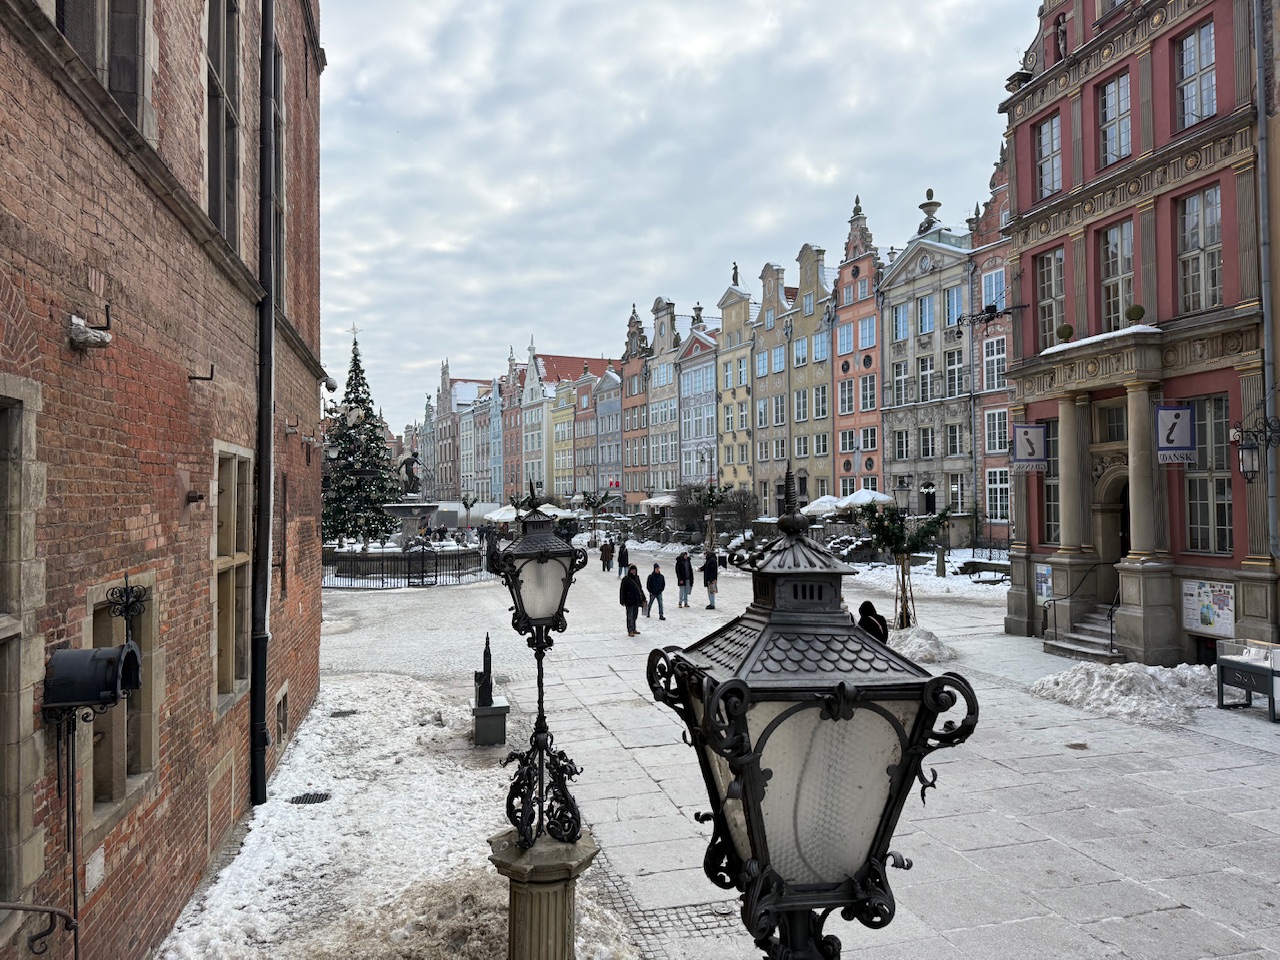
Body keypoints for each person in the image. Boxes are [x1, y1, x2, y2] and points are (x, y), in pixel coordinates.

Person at [620, 564, 645, 636]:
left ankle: (633, 628)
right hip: (629, 600)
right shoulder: (626, 579)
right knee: (630, 616)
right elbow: (622, 590)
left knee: (635, 615)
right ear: (629, 571)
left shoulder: (637, 578)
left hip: (636, 600)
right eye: (632, 570)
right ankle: (630, 630)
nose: (634, 571)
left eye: (635, 570)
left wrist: (643, 597)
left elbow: (640, 588)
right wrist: (622, 600)